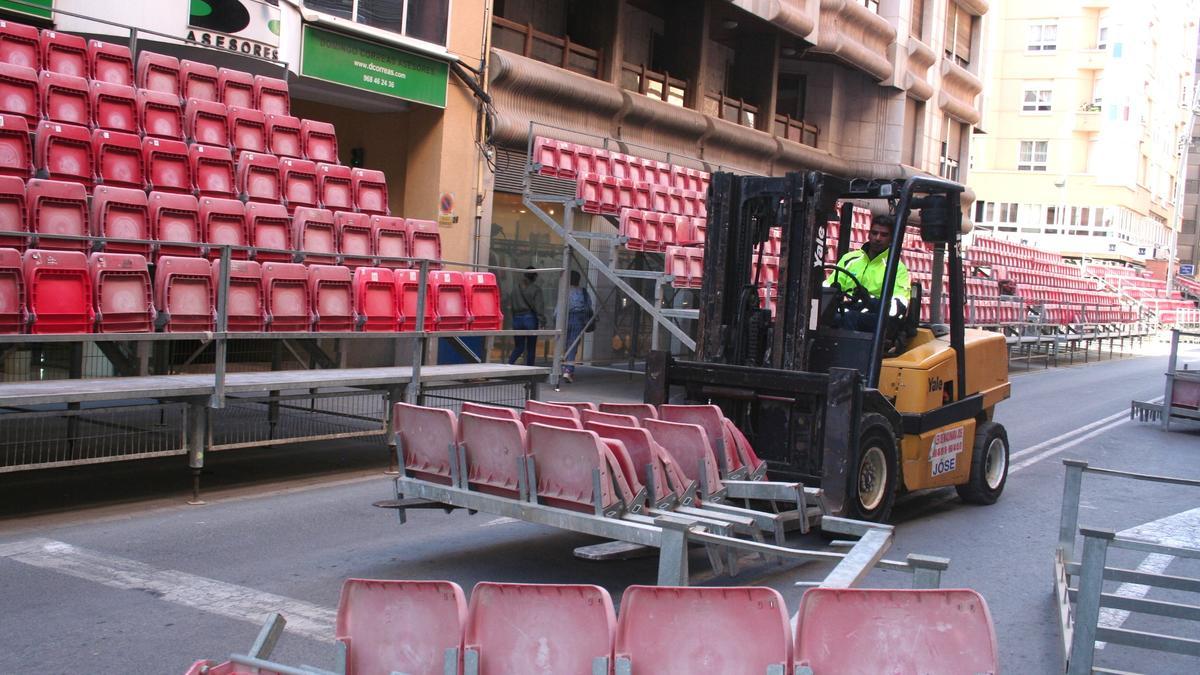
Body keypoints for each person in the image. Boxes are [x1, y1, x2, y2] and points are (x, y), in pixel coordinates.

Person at [824, 214, 911, 332]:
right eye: (874, 233)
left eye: (884, 235)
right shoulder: (850, 259)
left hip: (877, 318)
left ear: (891, 238)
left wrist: (869, 301)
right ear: (868, 234)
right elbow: (828, 287)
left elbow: (898, 308)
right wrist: (831, 292)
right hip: (849, 310)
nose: (878, 238)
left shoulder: (896, 268)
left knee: (850, 317)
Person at [508, 266, 545, 365]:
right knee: (531, 347)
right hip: (530, 319)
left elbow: (510, 305)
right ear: (534, 277)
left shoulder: (515, 288)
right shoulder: (536, 289)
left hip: (517, 319)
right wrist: (542, 320)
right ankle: (530, 370)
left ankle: (509, 364)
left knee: (519, 347)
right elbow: (539, 307)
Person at [561, 270, 593, 383]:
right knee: (573, 345)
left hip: (564, 319)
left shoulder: (564, 291)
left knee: (563, 345)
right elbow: (589, 307)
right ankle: (568, 371)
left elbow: (558, 309)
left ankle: (563, 368)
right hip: (578, 319)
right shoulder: (583, 292)